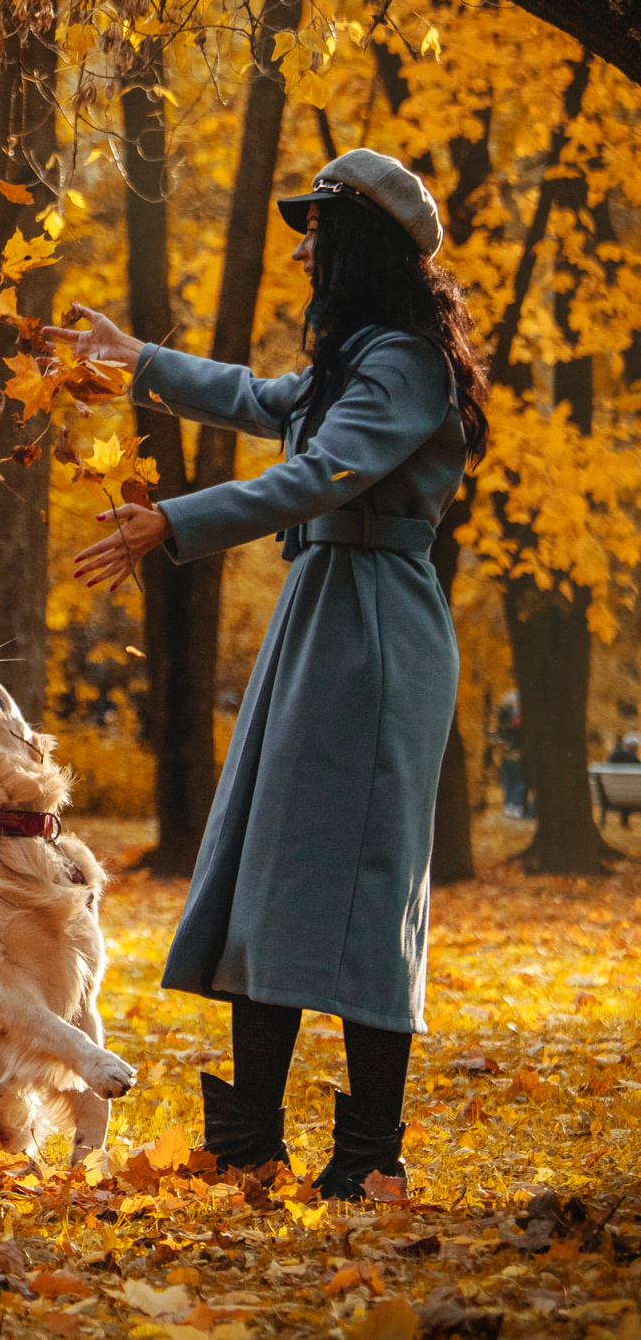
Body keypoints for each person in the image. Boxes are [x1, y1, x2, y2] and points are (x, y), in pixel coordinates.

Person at [46, 147, 488, 1202]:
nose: (299, 250)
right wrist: (140, 359)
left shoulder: (404, 363)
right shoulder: (359, 355)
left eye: (316, 231)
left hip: (376, 634)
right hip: (325, 618)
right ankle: (250, 1143)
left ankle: (369, 1154)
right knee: (269, 869)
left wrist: (173, 522)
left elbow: (317, 475)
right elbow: (258, 398)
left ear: (358, 246)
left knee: (365, 881)